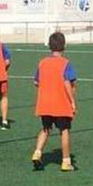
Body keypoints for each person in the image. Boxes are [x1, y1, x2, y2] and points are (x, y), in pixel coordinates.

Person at [32, 32, 77, 172]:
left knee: (45, 129)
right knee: (64, 131)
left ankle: (37, 152)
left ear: (50, 46)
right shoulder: (66, 63)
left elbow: (35, 82)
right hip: (61, 103)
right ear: (64, 46)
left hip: (45, 102)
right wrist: (72, 101)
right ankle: (66, 161)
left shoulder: (42, 62)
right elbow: (68, 83)